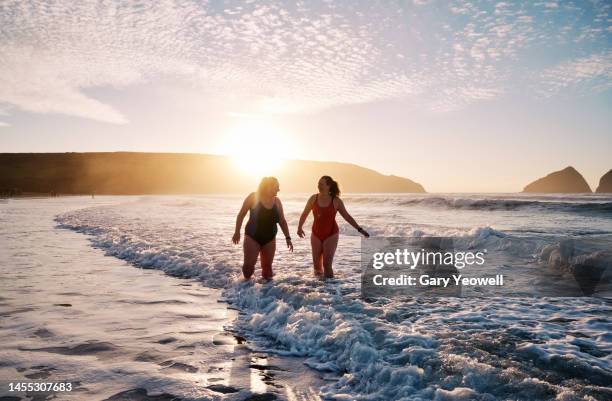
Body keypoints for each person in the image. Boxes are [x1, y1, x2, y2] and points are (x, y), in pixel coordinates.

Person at [297, 175, 369, 278]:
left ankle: (331, 289)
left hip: (331, 234)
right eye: (318, 184)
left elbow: (347, 217)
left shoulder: (336, 201)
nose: (319, 186)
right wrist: (299, 227)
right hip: (316, 234)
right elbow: (304, 213)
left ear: (329, 186)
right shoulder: (313, 198)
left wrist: (360, 229)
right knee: (317, 266)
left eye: (321, 184)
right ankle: (318, 288)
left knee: (327, 265)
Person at [232, 177, 293, 280]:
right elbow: (241, 214)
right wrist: (237, 232)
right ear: (268, 187)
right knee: (248, 269)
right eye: (276, 187)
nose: (278, 189)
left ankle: (265, 293)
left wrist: (288, 238)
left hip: (270, 238)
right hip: (252, 236)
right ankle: (243, 290)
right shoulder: (253, 197)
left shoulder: (277, 202)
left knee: (267, 269)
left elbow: (282, 221)